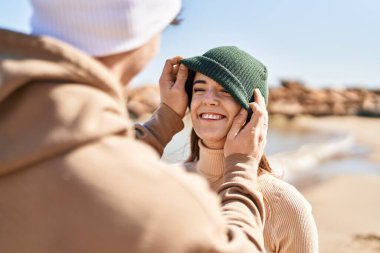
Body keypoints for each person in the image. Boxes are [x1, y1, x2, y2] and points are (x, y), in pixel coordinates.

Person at [0, 1, 268, 252]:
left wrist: (165, 119)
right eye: (168, 22)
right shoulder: (166, 208)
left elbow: (94, 163)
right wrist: (241, 167)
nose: (208, 99)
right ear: (147, 33)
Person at [172, 46, 317, 252]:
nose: (208, 99)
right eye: (199, 89)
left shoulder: (283, 203)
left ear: (253, 110)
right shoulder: (168, 182)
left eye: (226, 90)